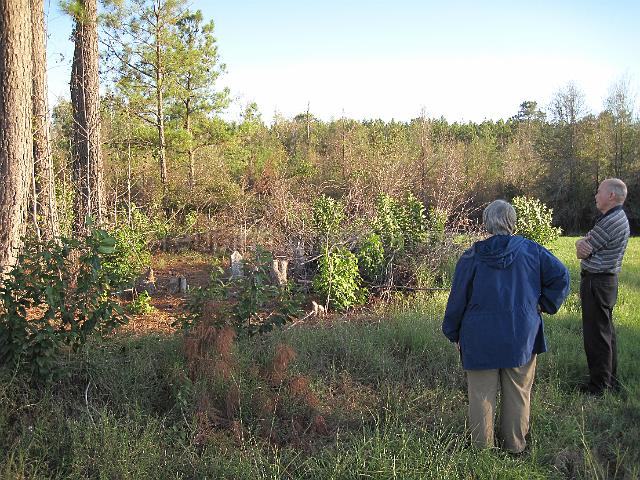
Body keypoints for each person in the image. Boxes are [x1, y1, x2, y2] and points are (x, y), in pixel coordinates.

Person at [442, 200, 569, 454]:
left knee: (480, 395)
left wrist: (453, 331)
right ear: (512, 222)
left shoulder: (471, 255)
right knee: (519, 391)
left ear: (487, 222)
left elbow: (458, 298)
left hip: (479, 336)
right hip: (521, 334)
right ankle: (514, 446)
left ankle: (482, 450)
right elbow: (561, 276)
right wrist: (544, 304)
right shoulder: (532, 250)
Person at [575, 178, 629, 395]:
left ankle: (598, 388)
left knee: (596, 336)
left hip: (597, 282)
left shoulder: (610, 221)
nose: (596, 196)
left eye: (599, 192)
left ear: (611, 196)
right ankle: (609, 381)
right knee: (605, 333)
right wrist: (583, 243)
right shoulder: (614, 218)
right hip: (605, 282)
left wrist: (580, 244)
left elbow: (582, 251)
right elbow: (585, 246)